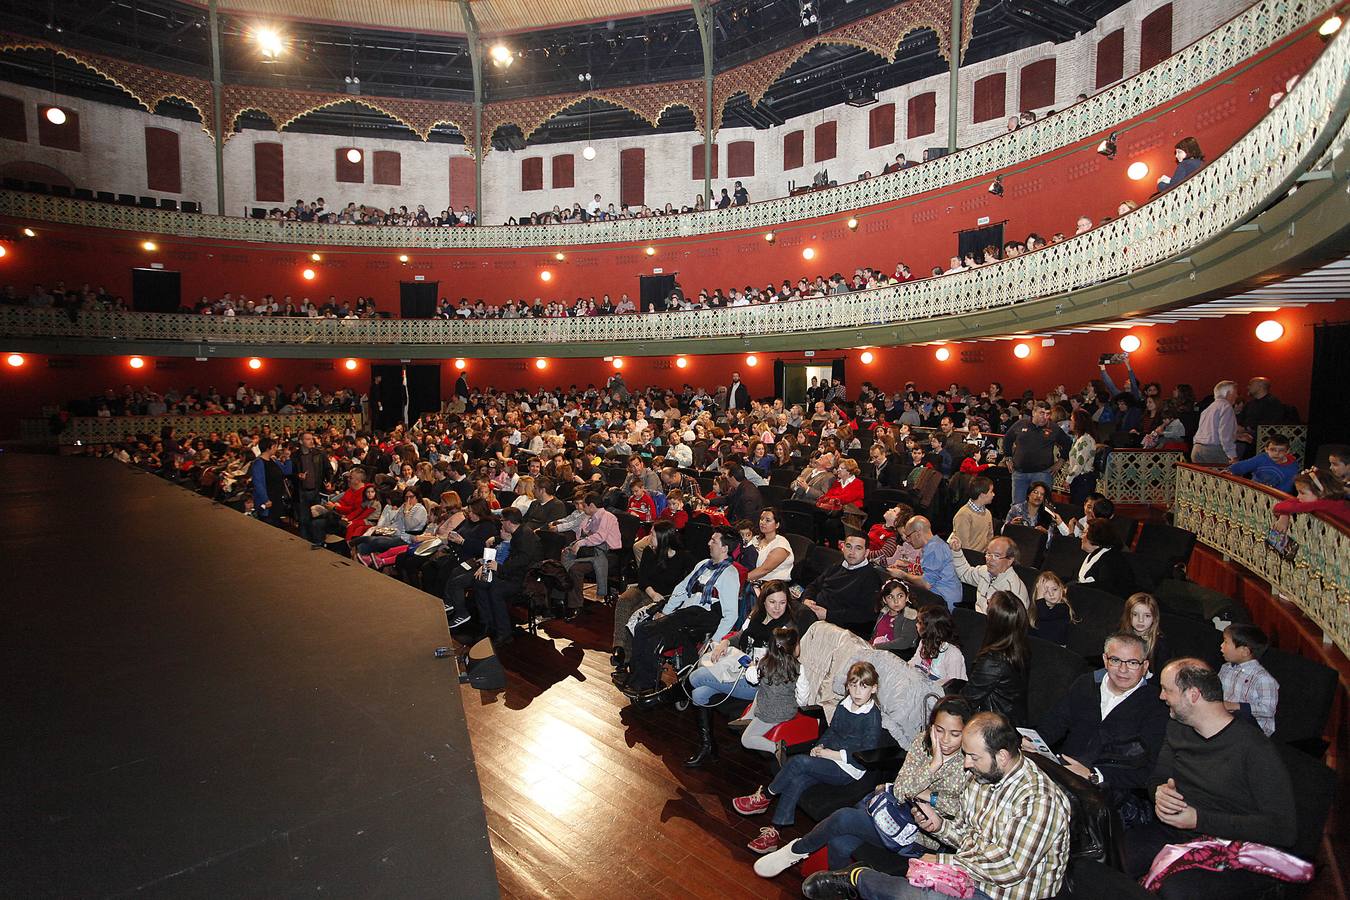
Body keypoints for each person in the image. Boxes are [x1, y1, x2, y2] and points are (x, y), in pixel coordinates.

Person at [804, 711, 1071, 900]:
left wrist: (945, 861)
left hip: (1007, 893)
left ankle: (859, 880)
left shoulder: (1039, 800)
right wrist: (941, 826)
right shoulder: (982, 776)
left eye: (972, 757)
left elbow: (1008, 869)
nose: (966, 764)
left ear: (1002, 756)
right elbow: (968, 834)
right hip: (972, 875)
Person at [1124, 659, 1297, 899]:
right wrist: (1160, 793)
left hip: (1234, 843)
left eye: (1167, 690)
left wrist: (1199, 820)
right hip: (1180, 830)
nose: (1162, 696)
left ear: (1193, 695)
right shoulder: (1177, 728)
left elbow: (1283, 829)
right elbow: (1158, 778)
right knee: (1114, 856)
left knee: (1176, 891)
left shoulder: (1254, 747)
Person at [754, 697, 975, 877]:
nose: (945, 740)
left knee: (843, 818)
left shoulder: (972, 760)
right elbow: (900, 790)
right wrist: (933, 766)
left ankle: (796, 850)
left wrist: (928, 796)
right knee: (840, 843)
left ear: (966, 733)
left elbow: (958, 809)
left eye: (955, 734)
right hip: (890, 812)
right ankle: (833, 890)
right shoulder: (922, 741)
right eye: (939, 730)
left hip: (919, 837)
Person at [733, 661, 883, 855]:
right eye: (853, 685)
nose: (857, 691)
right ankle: (774, 832)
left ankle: (765, 796)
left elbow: (866, 751)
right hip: (829, 758)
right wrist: (820, 744)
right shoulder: (844, 704)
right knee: (798, 780)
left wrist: (832, 754)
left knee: (798, 762)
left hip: (848, 769)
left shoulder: (872, 716)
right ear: (847, 686)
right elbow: (833, 731)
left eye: (863, 686)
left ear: (873, 688)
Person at [1034, 632, 1170, 818]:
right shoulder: (1086, 684)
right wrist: (1034, 741)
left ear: (1145, 666)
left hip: (1113, 791)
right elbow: (1054, 722)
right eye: (1115, 660)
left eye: (1132, 663)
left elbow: (1147, 769)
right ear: (1105, 660)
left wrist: (1094, 775)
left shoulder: (1156, 704)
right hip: (1065, 773)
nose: (1123, 669)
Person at [623, 528, 744, 697]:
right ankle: (640, 681)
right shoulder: (703, 565)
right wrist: (665, 611)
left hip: (702, 616)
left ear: (725, 548)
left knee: (645, 629)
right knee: (644, 630)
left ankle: (642, 682)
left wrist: (715, 641)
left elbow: (731, 614)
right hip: (686, 613)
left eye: (714, 541)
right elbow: (681, 589)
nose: (709, 543)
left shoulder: (729, 573)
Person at [612, 522, 691, 671]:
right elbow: (642, 578)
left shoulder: (683, 557)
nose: (649, 538)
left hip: (664, 596)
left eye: (653, 535)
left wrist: (663, 597)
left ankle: (628, 655)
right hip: (646, 589)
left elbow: (687, 583)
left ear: (663, 538)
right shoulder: (649, 551)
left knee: (637, 611)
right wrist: (652, 592)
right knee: (624, 600)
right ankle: (620, 648)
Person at [962, 591, 1030, 725]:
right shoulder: (1020, 647)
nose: (987, 601)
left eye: (989, 603)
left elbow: (967, 700)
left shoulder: (994, 661)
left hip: (994, 726)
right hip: (1011, 720)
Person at [475, 507, 541, 645]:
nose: (501, 523)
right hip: (511, 573)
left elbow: (522, 562)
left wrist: (499, 568)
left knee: (495, 590)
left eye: (502, 520)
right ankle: (488, 623)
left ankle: (504, 633)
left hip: (523, 579)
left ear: (509, 522)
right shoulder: (519, 532)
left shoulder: (525, 537)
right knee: (481, 583)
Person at [738, 624, 805, 756]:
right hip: (787, 711)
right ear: (793, 648)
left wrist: (751, 667)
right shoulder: (799, 668)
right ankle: (748, 719)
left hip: (769, 713)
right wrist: (800, 705)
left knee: (746, 739)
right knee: (762, 691)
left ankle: (777, 748)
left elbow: (752, 679)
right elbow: (803, 693)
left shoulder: (764, 664)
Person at [801, 533, 884, 637]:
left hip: (837, 628)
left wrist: (827, 615)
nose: (852, 552)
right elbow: (814, 586)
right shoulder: (836, 566)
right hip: (813, 613)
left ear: (866, 552)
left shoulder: (871, 578)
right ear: (843, 547)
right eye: (848, 546)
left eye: (858, 548)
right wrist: (807, 599)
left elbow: (866, 615)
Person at [1001, 401, 1071, 506]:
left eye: (1048, 414)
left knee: (1042, 506)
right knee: (1017, 505)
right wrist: (1008, 457)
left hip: (1042, 473)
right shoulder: (1021, 424)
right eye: (1042, 413)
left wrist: (1060, 462)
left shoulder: (1054, 428)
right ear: (1034, 413)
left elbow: (1068, 443)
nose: (1045, 417)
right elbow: (1007, 439)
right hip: (1020, 473)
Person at [560, 491, 623, 606]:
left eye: (584, 506)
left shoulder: (608, 517)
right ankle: (564, 596)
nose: (582, 509)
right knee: (566, 555)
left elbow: (600, 537)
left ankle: (575, 604)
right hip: (593, 550)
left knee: (575, 569)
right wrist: (587, 519)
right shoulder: (591, 517)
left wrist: (580, 543)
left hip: (609, 553)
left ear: (592, 506)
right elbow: (581, 534)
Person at [888, 516, 962, 611]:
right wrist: (907, 567)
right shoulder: (935, 544)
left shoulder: (934, 549)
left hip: (942, 602)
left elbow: (926, 583)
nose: (908, 540)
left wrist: (903, 575)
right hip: (939, 597)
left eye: (908, 536)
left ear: (918, 533)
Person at [1218, 623, 1279, 737]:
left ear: (1245, 651)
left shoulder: (1263, 679)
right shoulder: (1226, 668)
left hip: (1253, 731)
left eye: (1226, 642)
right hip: (1227, 720)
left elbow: (1268, 709)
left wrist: (1234, 706)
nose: (1221, 646)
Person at [948, 534, 1029, 614]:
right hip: (979, 617)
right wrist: (957, 552)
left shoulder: (1014, 590)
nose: (989, 559)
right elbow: (965, 574)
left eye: (996, 556)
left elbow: (1014, 623)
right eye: (988, 554)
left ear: (1010, 560)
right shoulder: (985, 571)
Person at [1076, 517, 1137, 598]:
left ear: (1094, 538)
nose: (1082, 536)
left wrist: (1074, 588)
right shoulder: (1094, 553)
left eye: (1085, 533)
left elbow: (1105, 589)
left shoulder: (1111, 560)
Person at [910, 605, 967, 685]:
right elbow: (915, 662)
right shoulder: (924, 642)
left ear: (931, 629)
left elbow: (952, 684)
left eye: (920, 623)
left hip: (941, 691)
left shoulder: (953, 654)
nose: (916, 625)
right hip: (923, 683)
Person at [1227, 433, 1298, 493]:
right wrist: (1230, 470)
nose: (1276, 453)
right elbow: (1244, 466)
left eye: (1281, 450)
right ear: (1266, 449)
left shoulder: (1291, 467)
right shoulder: (1262, 458)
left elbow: (1286, 487)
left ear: (1288, 451)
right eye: (1273, 449)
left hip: (1273, 496)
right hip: (1253, 492)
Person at [1190, 380, 1238, 464]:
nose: (1236, 396)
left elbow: (1210, 431)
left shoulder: (1209, 408)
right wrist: (1232, 455)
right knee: (1229, 475)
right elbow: (1225, 434)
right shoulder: (1226, 407)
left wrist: (1238, 436)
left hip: (1197, 449)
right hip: (1213, 451)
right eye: (1235, 393)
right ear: (1228, 393)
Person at [1121, 592, 1170, 668]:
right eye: (1135, 614)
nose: (1141, 620)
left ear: (1154, 618)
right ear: (1128, 616)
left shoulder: (1160, 644)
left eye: (1147, 616)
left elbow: (1161, 673)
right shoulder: (1120, 636)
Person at [745, 508, 795, 583]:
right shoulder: (756, 539)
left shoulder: (781, 545)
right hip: (753, 580)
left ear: (777, 525)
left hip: (772, 585)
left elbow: (764, 570)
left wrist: (740, 579)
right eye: (761, 519)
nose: (762, 522)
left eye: (767, 520)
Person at [1028, 571, 1077, 646]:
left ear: (1062, 589)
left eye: (1055, 589)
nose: (1051, 594)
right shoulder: (1037, 608)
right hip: (1040, 646)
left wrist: (1040, 598)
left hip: (1056, 649)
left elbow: (1045, 615)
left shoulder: (1063, 608)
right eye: (1045, 591)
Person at [871, 578, 919, 652]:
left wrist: (877, 646)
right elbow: (875, 633)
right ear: (884, 600)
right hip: (874, 648)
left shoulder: (910, 615)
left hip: (894, 654)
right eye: (890, 597)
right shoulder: (884, 612)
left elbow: (905, 641)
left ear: (907, 597)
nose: (896, 601)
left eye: (900, 596)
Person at [950, 476, 994, 552]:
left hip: (982, 557)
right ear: (982, 495)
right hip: (970, 559)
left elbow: (990, 538)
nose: (993, 494)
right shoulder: (963, 515)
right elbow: (964, 546)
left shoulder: (987, 513)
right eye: (991, 491)